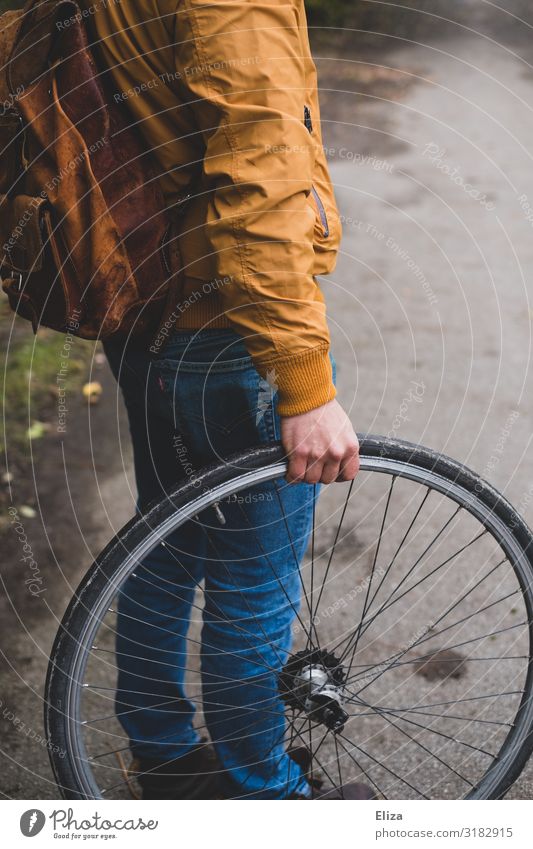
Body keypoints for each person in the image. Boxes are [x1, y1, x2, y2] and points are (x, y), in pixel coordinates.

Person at [83, 0, 363, 799]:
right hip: (222, 323)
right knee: (252, 574)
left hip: (144, 297)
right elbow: (260, 189)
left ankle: (166, 756)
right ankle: (259, 796)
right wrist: (305, 384)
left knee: (165, 542)